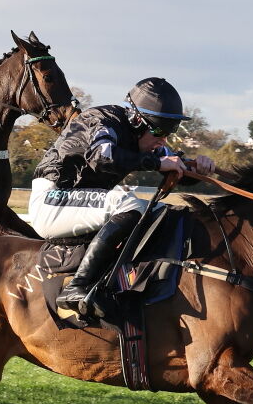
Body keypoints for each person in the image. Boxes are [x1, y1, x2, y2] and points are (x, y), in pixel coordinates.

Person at [29, 77, 216, 317]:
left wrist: (197, 168)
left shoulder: (145, 137)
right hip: (52, 200)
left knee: (160, 212)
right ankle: (77, 287)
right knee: (126, 202)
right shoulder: (101, 120)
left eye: (169, 132)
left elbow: (173, 164)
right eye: (159, 131)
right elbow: (102, 156)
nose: (163, 140)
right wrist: (158, 163)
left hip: (78, 203)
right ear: (137, 120)